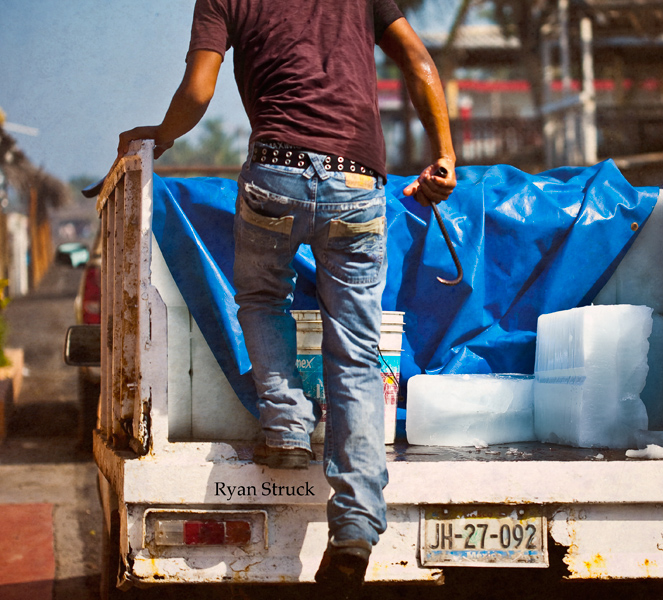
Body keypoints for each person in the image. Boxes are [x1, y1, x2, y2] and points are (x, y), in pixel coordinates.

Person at [117, 0, 456, 593]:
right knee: (355, 350)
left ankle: (287, 424)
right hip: (357, 181)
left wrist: (161, 137)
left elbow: (199, 90)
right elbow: (420, 63)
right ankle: (353, 529)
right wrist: (446, 155)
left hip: (276, 174)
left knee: (260, 298)